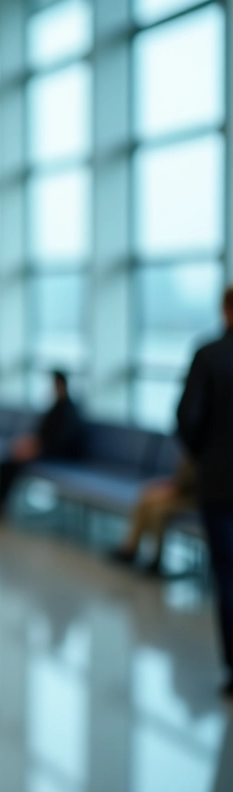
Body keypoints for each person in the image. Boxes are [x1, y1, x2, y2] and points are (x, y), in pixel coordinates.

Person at [176, 286, 233, 695]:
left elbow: (187, 417)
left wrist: (203, 456)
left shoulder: (210, 355)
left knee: (228, 577)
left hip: (219, 482)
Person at [0, 370, 87, 520]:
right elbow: (44, 433)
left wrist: (36, 448)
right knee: (6, 461)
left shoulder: (68, 409)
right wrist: (29, 443)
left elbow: (60, 440)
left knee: (10, 465)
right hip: (47, 449)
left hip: (59, 454)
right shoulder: (57, 406)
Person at [109, 453, 197, 574]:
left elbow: (193, 482)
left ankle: (156, 559)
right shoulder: (194, 447)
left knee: (157, 510)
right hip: (181, 490)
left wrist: (174, 490)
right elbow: (182, 478)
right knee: (146, 496)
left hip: (196, 497)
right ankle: (130, 549)